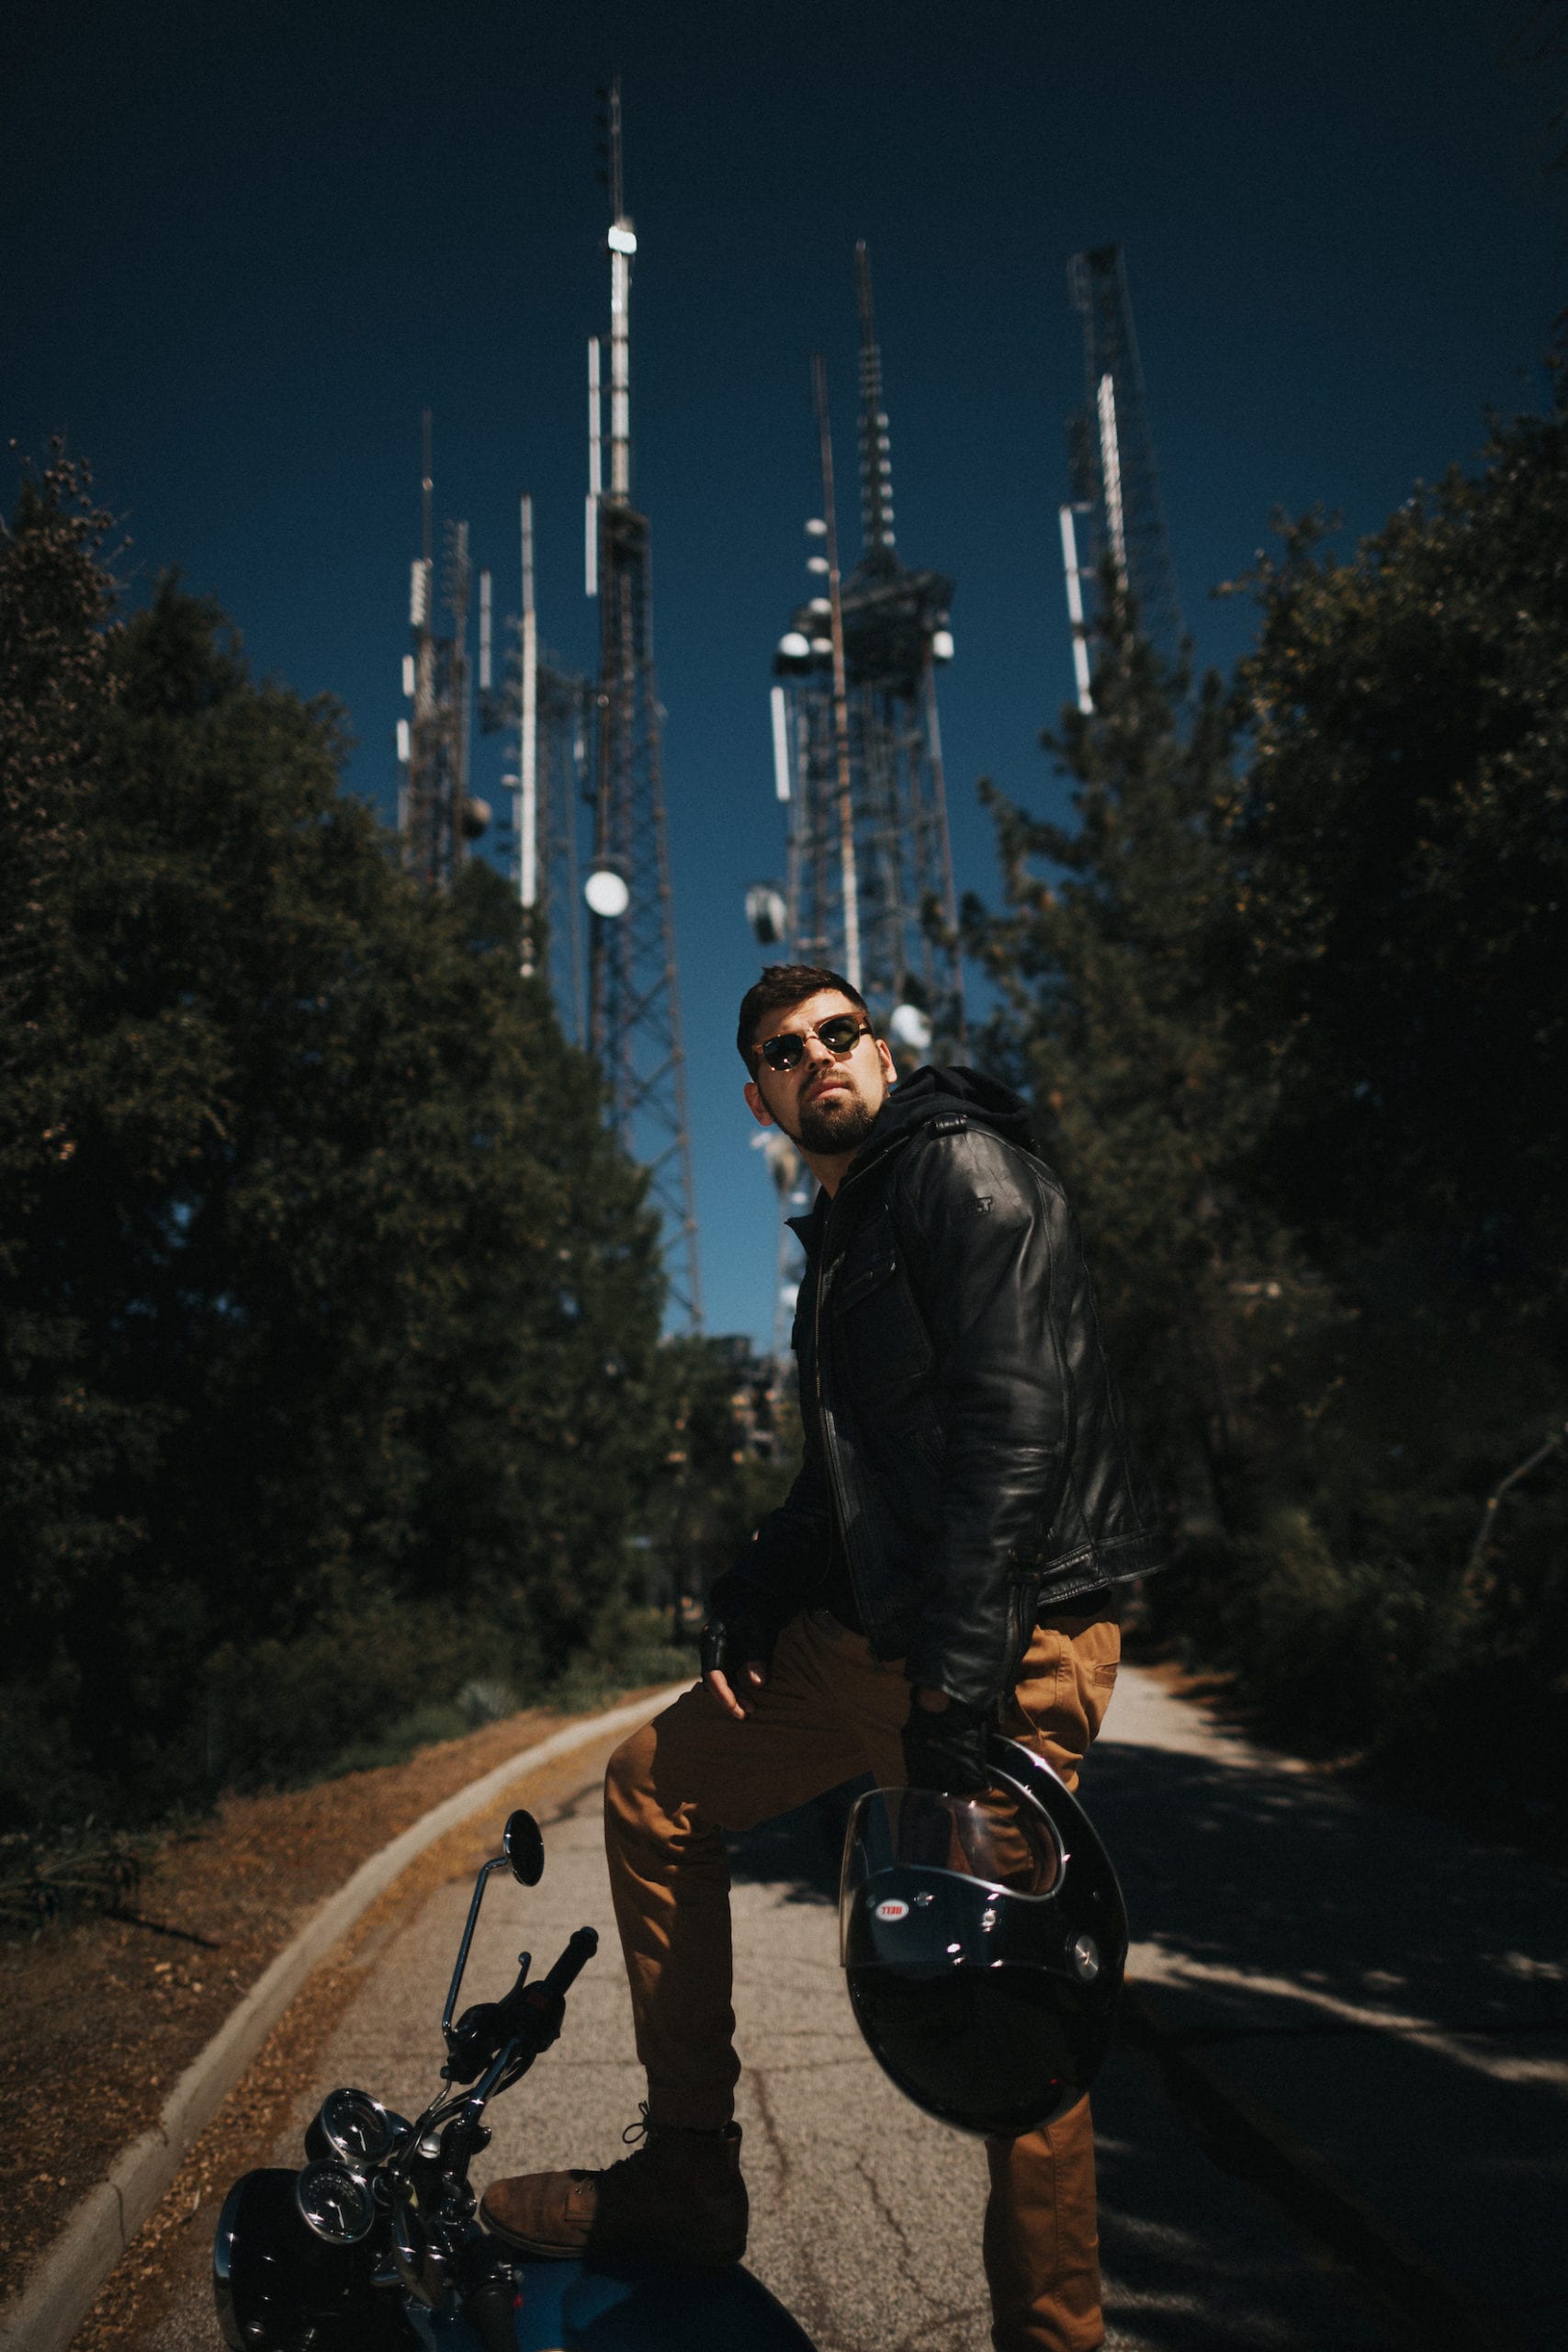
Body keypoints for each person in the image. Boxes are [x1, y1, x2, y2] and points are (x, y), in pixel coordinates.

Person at [480, 966, 1166, 2352]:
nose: (819, 1059)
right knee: (652, 1784)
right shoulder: (846, 1233)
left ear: (884, 1049)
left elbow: (1013, 1437)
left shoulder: (961, 1176)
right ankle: (688, 2173)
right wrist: (751, 1593)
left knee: (1007, 2001)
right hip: (871, 1637)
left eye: (840, 1034)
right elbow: (838, 1478)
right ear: (762, 1097)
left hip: (1002, 1642)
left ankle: (1056, 2336)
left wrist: (963, 1692)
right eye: (787, 1052)